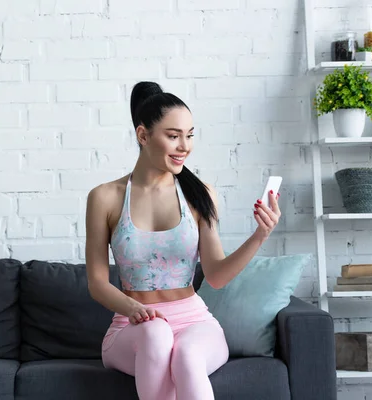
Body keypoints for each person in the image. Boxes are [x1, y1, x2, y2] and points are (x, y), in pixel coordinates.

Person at [84, 81, 281, 400]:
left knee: (188, 357)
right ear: (143, 135)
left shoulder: (199, 194)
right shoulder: (105, 198)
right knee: (156, 332)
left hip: (195, 322)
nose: (184, 146)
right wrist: (134, 307)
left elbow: (215, 275)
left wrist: (260, 235)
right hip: (133, 328)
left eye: (189, 135)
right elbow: (97, 283)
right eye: (173, 136)